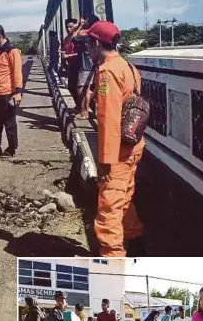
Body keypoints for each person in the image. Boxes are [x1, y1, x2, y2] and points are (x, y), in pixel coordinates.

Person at [86, 20, 146, 257]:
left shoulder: (107, 72)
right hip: (134, 146)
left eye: (88, 44)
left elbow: (108, 118)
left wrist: (105, 161)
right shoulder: (127, 66)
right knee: (125, 198)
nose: (87, 50)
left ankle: (112, 259)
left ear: (96, 43)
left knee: (109, 208)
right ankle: (135, 239)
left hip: (118, 152)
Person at [0, 23, 23, 158]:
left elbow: (17, 72)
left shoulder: (12, 51)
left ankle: (11, 148)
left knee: (9, 123)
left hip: (7, 93)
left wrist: (18, 92)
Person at [71, 15, 99, 119]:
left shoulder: (87, 35)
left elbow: (73, 38)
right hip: (94, 64)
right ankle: (86, 111)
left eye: (85, 20)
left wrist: (80, 26)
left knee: (81, 88)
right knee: (89, 89)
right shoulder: (95, 35)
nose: (84, 21)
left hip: (86, 65)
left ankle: (84, 111)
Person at [61, 18, 80, 104]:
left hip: (79, 65)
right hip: (70, 65)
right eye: (67, 27)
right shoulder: (66, 39)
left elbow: (82, 53)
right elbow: (66, 50)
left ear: (75, 27)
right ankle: (77, 106)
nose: (68, 29)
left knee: (79, 88)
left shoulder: (78, 37)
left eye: (71, 27)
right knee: (71, 87)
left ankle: (82, 108)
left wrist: (68, 55)